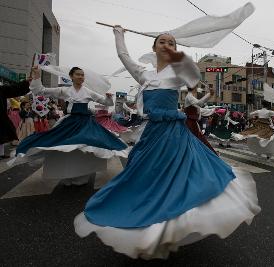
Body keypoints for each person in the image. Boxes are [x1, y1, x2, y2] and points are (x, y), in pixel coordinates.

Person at [74, 26, 260, 260]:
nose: (166, 45)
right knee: (142, 171)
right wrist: (119, 35)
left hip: (174, 132)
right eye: (162, 42)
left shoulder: (179, 73)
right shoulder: (143, 75)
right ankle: (144, 215)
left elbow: (194, 78)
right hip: (153, 132)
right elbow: (124, 57)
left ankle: (172, 221)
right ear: (154, 48)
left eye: (171, 43)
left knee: (179, 172)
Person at [11, 66, 128, 186]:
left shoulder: (88, 92)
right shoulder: (64, 91)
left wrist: (108, 97)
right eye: (78, 74)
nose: (81, 77)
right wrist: (37, 75)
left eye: (82, 75)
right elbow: (40, 90)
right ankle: (66, 174)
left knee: (85, 145)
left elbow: (106, 103)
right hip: (70, 123)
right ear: (71, 76)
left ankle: (82, 174)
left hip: (85, 123)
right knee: (65, 147)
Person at [0, 80, 31, 158]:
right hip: (13, 114)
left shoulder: (2, 90)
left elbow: (13, 89)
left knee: (1, 137)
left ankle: (1, 154)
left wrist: (26, 83)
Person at [184, 86, 217, 155]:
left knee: (198, 139)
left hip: (192, 123)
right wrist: (209, 94)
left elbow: (200, 109)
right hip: (190, 123)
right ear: (194, 88)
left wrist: (212, 110)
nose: (197, 88)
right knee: (198, 140)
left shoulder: (190, 97)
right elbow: (199, 103)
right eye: (196, 86)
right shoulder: (189, 96)